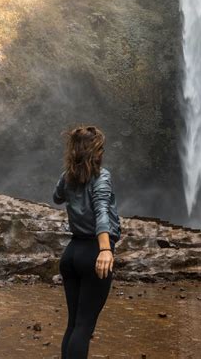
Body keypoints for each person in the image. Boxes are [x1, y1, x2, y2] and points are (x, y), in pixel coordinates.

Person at [53, 124, 121, 359]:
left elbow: (57, 196)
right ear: (95, 152)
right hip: (93, 252)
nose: (103, 153)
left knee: (74, 324)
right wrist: (105, 249)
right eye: (100, 149)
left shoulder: (67, 177)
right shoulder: (102, 176)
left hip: (71, 254)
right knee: (84, 327)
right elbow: (101, 211)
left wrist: (71, 182)